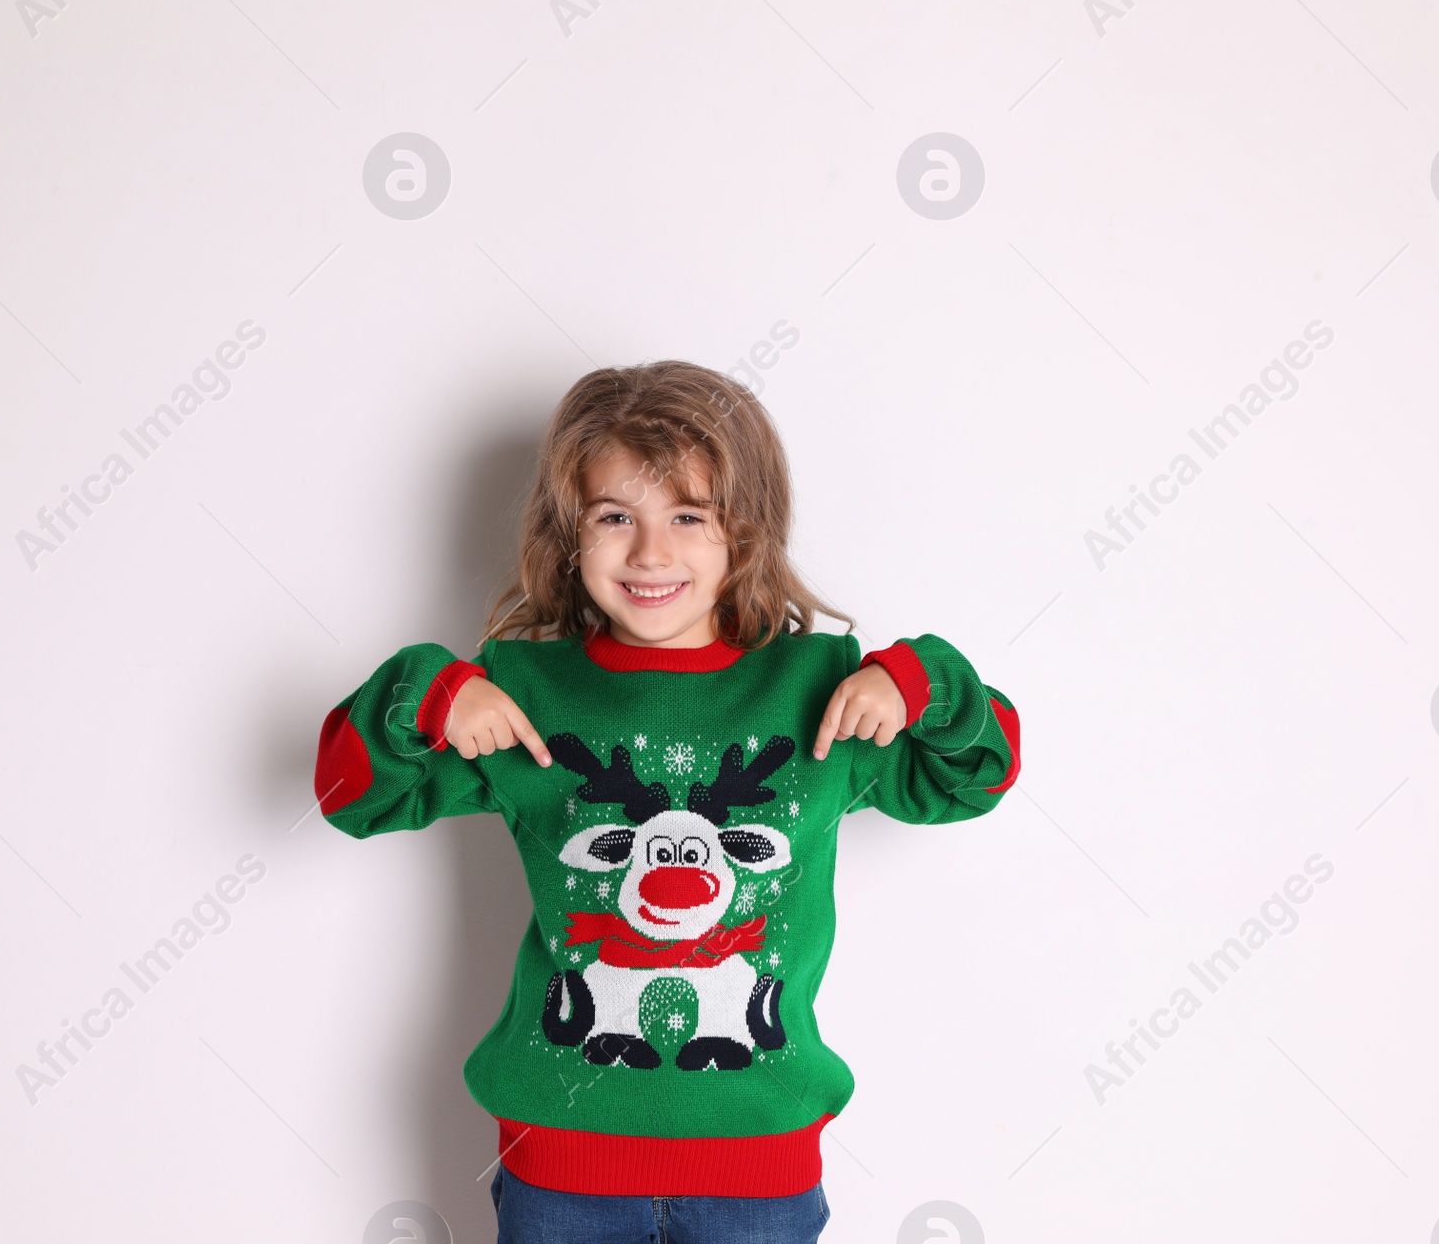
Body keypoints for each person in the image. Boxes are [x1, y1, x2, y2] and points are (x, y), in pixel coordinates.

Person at [313, 360, 1021, 1243]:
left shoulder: (825, 687)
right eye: (616, 517)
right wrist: (425, 696)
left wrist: (925, 685)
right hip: (560, 1161)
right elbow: (350, 797)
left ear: (746, 530)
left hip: (759, 1160)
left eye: (689, 516)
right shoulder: (518, 692)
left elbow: (973, 780)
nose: (651, 553)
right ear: (570, 535)